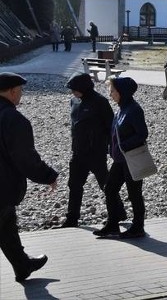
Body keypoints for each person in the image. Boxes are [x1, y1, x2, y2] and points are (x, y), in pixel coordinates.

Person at [0, 72, 58, 282]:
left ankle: (22, 265)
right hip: (3, 186)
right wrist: (48, 175)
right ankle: (22, 264)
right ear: (13, 91)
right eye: (21, 90)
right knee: (5, 223)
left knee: (6, 226)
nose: (22, 94)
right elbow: (25, 158)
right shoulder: (12, 119)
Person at [57, 73, 115, 228]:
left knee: (106, 185)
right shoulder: (74, 101)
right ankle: (72, 218)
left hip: (96, 152)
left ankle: (118, 212)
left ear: (84, 88)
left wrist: (110, 147)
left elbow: (111, 127)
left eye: (75, 89)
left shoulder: (100, 102)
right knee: (74, 185)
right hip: (78, 152)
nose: (72, 92)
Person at [93, 77, 149, 239]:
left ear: (122, 92)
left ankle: (138, 227)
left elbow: (142, 134)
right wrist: (111, 147)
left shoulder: (134, 109)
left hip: (131, 158)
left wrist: (124, 145)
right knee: (110, 188)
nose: (110, 94)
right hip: (120, 159)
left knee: (134, 193)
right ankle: (112, 224)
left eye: (113, 91)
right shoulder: (121, 109)